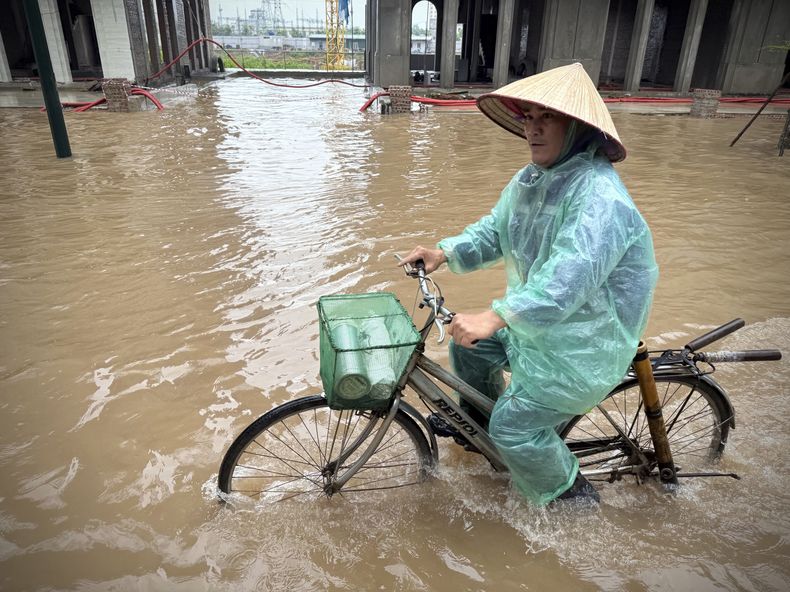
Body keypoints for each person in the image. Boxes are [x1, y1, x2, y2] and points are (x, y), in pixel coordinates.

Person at [399, 62, 658, 506]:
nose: (534, 131)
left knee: (513, 426)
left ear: (576, 127)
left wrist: (495, 315)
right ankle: (480, 431)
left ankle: (573, 502)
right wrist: (444, 253)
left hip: (583, 344)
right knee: (468, 347)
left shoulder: (600, 199)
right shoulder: (532, 179)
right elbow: (496, 231)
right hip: (541, 329)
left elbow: (565, 283)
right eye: (529, 119)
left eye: (548, 119)